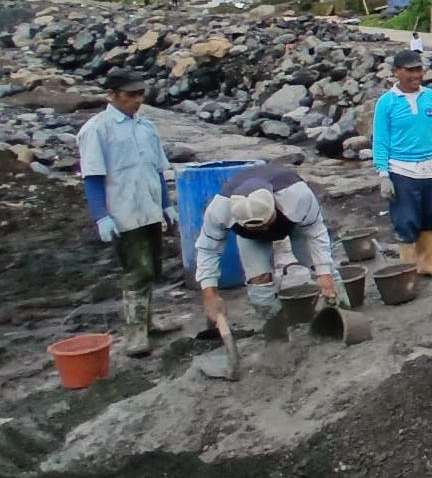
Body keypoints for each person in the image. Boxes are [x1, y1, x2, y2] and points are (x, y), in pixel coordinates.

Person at [77, 67, 180, 357]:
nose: (137, 100)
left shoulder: (146, 126)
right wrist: (101, 216)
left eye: (140, 94)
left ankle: (148, 321)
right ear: (112, 95)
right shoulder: (98, 129)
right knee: (137, 271)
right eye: (130, 95)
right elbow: (93, 176)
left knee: (152, 269)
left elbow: (156, 169)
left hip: (148, 207)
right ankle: (135, 333)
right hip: (122, 211)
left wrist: (165, 204)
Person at [195, 164, 339, 337]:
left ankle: (342, 307)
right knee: (259, 284)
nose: (264, 231)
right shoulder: (219, 210)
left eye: (265, 224)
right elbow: (207, 249)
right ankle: (275, 330)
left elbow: (315, 233)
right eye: (256, 227)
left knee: (321, 268)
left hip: (294, 225)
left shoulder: (296, 196)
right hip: (250, 239)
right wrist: (210, 294)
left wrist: (324, 274)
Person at [373, 50, 432, 278]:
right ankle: (407, 268)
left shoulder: (431, 97)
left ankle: (428, 262)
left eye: (418, 69)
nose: (416, 75)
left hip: (430, 169)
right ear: (396, 72)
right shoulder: (387, 103)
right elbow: (380, 140)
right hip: (402, 170)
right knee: (405, 220)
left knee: (430, 217)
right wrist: (383, 174)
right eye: (410, 70)